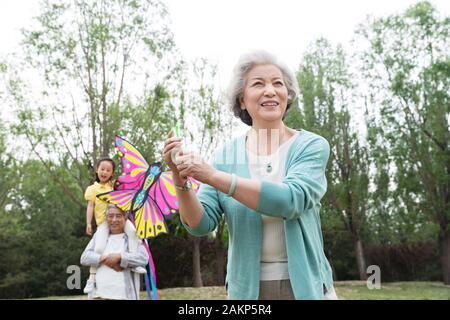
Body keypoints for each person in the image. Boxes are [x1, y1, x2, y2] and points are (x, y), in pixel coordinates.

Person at [163, 50, 338, 300]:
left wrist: (212, 176)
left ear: (287, 96)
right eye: (258, 83)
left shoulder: (311, 145)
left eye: (278, 83)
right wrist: (179, 178)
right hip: (247, 291)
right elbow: (200, 225)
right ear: (242, 100)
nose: (270, 90)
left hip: (308, 287)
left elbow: (291, 200)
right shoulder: (225, 156)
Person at [83, 157, 145, 297]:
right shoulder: (93, 189)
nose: (104, 172)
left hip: (120, 217)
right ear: (97, 170)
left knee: (133, 232)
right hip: (103, 223)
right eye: (102, 169)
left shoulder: (114, 187)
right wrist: (88, 223)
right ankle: (91, 279)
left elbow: (125, 198)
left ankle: (136, 265)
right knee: (98, 248)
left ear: (112, 173)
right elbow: (90, 206)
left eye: (108, 170)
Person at [81, 204, 148, 300]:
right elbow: (84, 257)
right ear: (106, 218)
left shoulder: (133, 238)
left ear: (125, 218)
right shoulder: (99, 236)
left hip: (125, 296)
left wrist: (120, 258)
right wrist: (104, 259)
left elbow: (143, 258)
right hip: (98, 295)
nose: (114, 220)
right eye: (110, 216)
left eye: (118, 216)